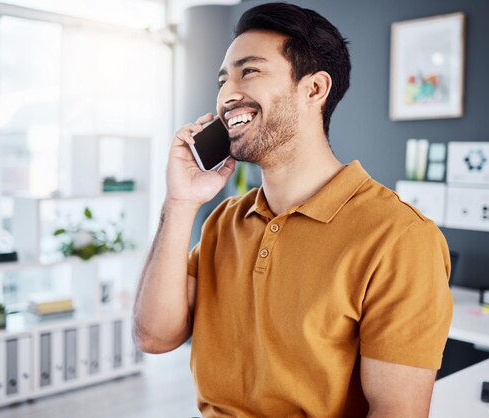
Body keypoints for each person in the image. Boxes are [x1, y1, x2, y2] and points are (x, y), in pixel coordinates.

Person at [133, 2, 453, 417]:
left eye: (249, 71)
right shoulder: (223, 222)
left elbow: (398, 411)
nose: (228, 94)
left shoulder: (400, 237)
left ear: (314, 89)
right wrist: (178, 203)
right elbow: (153, 338)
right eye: (223, 79)